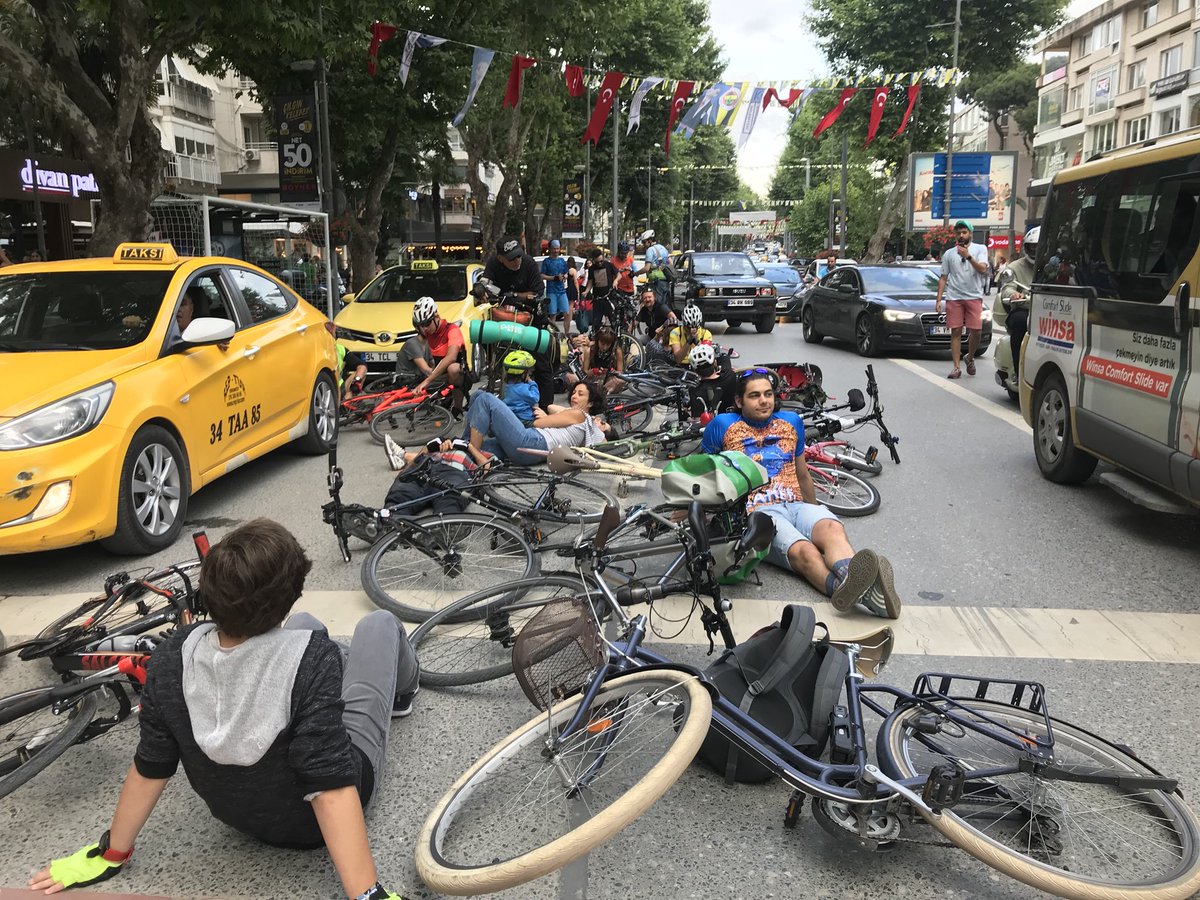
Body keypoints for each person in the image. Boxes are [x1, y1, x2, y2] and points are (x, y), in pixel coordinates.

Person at [29, 519, 415, 900]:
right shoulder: (317, 659)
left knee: (306, 624)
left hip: (240, 817)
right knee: (379, 624)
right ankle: (403, 695)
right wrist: (368, 895)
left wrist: (111, 853)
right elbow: (329, 788)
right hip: (309, 825)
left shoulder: (170, 657)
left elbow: (151, 765)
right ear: (290, 592)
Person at [700, 370, 900, 619]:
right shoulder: (722, 425)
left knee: (831, 528)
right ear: (739, 401)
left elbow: (803, 473)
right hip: (758, 514)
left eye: (768, 394)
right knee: (805, 552)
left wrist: (814, 512)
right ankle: (860, 592)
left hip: (796, 504)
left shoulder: (791, 422)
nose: (764, 401)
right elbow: (704, 473)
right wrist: (694, 511)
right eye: (754, 396)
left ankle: (856, 582)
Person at [477, 236, 555, 410]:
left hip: (532, 317)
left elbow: (537, 292)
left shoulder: (528, 263)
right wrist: (480, 290)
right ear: (500, 258)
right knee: (486, 342)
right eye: (511, 258)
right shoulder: (493, 264)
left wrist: (514, 296)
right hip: (504, 318)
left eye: (518, 255)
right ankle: (493, 373)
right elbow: (485, 283)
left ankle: (546, 410)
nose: (516, 260)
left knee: (542, 365)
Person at [462, 381, 604, 466]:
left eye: (580, 394)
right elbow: (550, 408)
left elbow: (538, 423)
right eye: (574, 392)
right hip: (530, 448)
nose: (574, 396)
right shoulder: (580, 420)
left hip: (532, 442)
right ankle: (461, 448)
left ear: (591, 402)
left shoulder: (578, 414)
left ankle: (474, 455)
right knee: (477, 396)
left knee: (485, 399)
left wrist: (544, 417)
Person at [382, 435, 494, 516]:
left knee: (450, 498)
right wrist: (428, 447)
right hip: (425, 469)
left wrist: (468, 446)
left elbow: (487, 468)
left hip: (454, 472)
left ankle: (444, 529)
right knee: (401, 494)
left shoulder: (470, 454)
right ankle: (387, 524)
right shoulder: (433, 452)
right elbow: (413, 463)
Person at [935, 220, 989, 379]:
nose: (961, 235)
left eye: (964, 232)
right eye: (958, 233)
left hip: (974, 295)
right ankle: (956, 367)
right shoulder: (949, 254)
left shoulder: (980, 249)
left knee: (977, 331)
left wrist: (968, 256)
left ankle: (969, 357)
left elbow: (983, 269)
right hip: (954, 297)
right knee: (956, 330)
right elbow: (943, 277)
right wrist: (938, 300)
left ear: (970, 234)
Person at [411, 296, 466, 414]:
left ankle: (457, 408)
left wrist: (427, 381)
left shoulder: (452, 330)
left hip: (460, 374)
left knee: (453, 369)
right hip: (438, 373)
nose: (424, 328)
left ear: (436, 316)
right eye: (421, 325)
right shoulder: (428, 332)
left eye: (427, 323)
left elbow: (451, 357)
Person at [999, 226, 1038, 387]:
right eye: (1033, 247)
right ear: (1026, 248)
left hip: (1051, 312)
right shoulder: (1015, 267)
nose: (1036, 251)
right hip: (1025, 309)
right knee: (1021, 322)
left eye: (1039, 247)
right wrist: (1013, 295)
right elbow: (1007, 287)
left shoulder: (1053, 265)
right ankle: (1017, 371)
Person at [686, 343, 736, 418]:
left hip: (715, 427)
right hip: (735, 420)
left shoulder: (696, 392)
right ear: (715, 363)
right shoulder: (730, 376)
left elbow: (698, 419)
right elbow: (724, 359)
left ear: (695, 370)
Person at [500, 349, 541, 426]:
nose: (530, 374)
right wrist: (532, 383)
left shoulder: (508, 386)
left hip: (511, 417)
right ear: (523, 375)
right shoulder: (522, 389)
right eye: (529, 373)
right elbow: (535, 398)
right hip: (524, 420)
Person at [584, 247, 619, 331]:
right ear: (593, 260)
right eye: (597, 262)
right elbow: (591, 282)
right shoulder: (592, 269)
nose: (600, 263)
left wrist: (616, 281)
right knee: (596, 323)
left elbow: (619, 274)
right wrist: (586, 291)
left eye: (601, 261)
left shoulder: (609, 265)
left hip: (609, 298)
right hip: (598, 299)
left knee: (614, 322)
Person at [635, 286, 677, 355]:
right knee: (638, 341)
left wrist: (662, 328)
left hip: (664, 338)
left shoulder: (661, 307)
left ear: (654, 297)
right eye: (645, 298)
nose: (647, 299)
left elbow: (674, 319)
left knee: (657, 352)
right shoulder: (644, 310)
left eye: (649, 297)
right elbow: (634, 323)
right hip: (651, 337)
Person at [540, 239, 570, 329]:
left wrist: (565, 276)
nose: (556, 251)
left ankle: (567, 334)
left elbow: (566, 273)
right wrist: (554, 278)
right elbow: (542, 275)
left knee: (566, 313)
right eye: (554, 248)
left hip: (562, 291)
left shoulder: (562, 261)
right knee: (552, 314)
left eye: (557, 248)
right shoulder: (546, 261)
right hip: (551, 291)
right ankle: (553, 335)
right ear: (550, 248)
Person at [637, 230, 672, 308]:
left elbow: (646, 268)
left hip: (657, 283)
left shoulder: (650, 250)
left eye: (644, 242)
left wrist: (635, 273)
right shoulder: (662, 248)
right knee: (664, 306)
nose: (643, 245)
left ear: (649, 241)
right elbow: (670, 263)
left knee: (656, 307)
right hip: (666, 281)